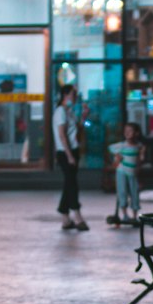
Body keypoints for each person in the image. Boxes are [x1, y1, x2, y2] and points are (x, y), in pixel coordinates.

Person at [53, 83, 88, 231]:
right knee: (72, 184)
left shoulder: (69, 111)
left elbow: (75, 131)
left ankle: (65, 217)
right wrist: (69, 156)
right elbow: (61, 135)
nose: (75, 98)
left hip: (72, 150)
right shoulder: (60, 111)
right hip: (65, 152)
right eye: (73, 94)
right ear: (65, 95)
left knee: (69, 183)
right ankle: (77, 215)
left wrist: (84, 117)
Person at [107, 121, 144, 227]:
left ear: (136, 133)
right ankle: (124, 215)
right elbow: (111, 148)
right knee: (122, 191)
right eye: (125, 131)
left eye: (130, 131)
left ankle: (134, 215)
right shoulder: (121, 146)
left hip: (133, 173)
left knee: (134, 193)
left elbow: (140, 158)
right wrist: (117, 157)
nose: (127, 133)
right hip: (122, 171)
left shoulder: (139, 146)